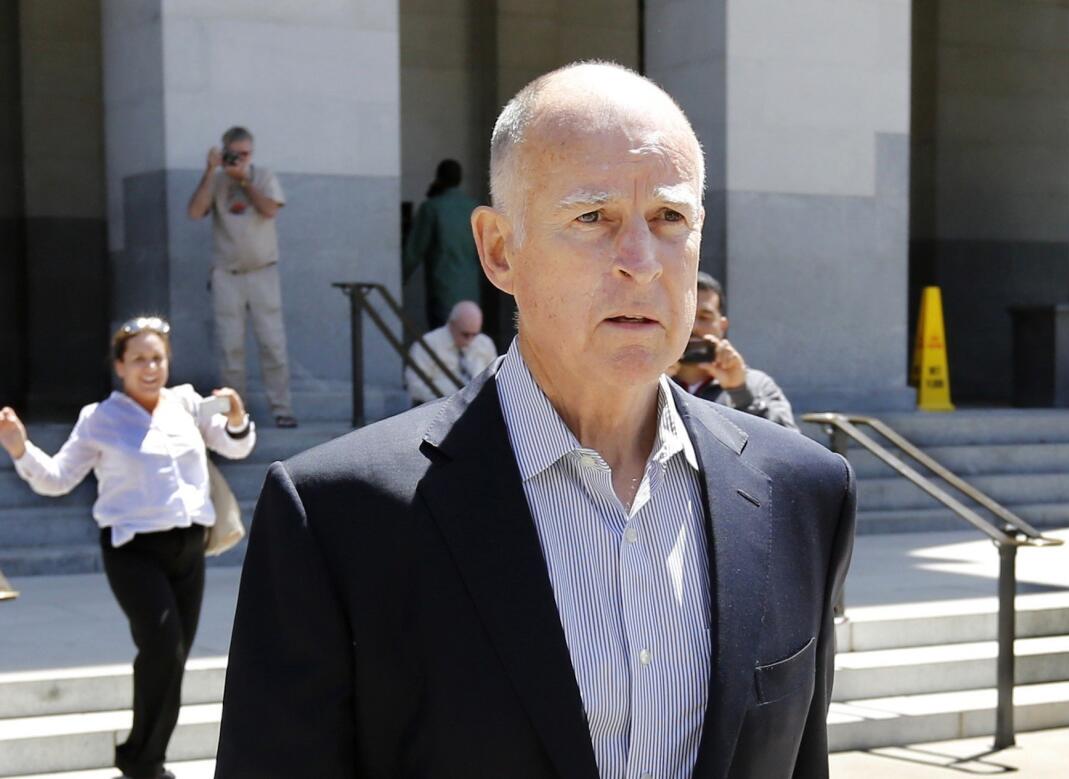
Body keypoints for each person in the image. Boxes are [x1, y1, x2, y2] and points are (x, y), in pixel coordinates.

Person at [216, 62, 854, 779]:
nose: (641, 262)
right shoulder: (337, 518)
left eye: (670, 218)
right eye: (593, 217)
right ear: (498, 250)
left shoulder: (804, 493)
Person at [0, 316, 255, 779]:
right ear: (120, 366)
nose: (150, 367)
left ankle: (148, 757)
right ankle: (144, 761)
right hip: (133, 549)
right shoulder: (99, 419)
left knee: (175, 656)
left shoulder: (186, 406)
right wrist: (20, 449)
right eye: (138, 358)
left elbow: (236, 449)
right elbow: (58, 479)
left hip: (189, 546)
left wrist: (237, 420)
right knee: (161, 647)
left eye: (157, 357)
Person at [186, 126, 297, 428]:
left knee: (272, 344)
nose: (240, 159)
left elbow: (270, 209)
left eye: (245, 154)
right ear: (223, 152)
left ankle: (282, 408)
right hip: (227, 274)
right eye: (234, 154)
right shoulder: (217, 180)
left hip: (262, 271)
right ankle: (234, 414)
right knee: (229, 347)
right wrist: (211, 171)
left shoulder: (263, 176)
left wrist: (244, 180)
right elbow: (195, 212)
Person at [672, 271, 799, 430]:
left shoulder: (757, 385)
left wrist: (740, 393)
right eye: (685, 316)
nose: (693, 327)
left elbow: (787, 448)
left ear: (722, 326)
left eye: (705, 317)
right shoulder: (643, 381)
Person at [403, 158, 483, 329]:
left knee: (442, 344)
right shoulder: (474, 208)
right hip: (471, 291)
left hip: (443, 291)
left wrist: (397, 279)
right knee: (469, 344)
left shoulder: (432, 208)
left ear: (438, 178)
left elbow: (413, 252)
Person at [404, 300, 497, 405]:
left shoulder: (484, 343)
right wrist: (443, 401)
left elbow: (493, 379)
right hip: (437, 409)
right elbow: (415, 386)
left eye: (474, 334)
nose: (470, 340)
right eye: (465, 334)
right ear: (452, 324)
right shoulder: (428, 344)